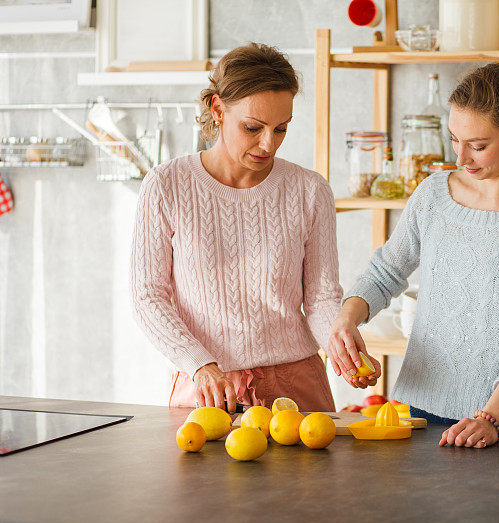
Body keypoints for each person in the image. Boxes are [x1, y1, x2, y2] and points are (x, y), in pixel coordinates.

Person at [327, 63, 499, 447]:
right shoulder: (433, 194)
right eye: (454, 139)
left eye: (478, 146)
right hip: (418, 408)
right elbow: (385, 272)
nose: (461, 158)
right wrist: (347, 320)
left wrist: (491, 418)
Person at [131, 43, 381, 414]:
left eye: (280, 129)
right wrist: (198, 364)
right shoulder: (166, 185)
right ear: (218, 109)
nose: (269, 144)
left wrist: (343, 346)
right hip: (206, 386)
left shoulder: (309, 190)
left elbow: (320, 298)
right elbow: (148, 297)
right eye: (253, 127)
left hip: (296, 386)